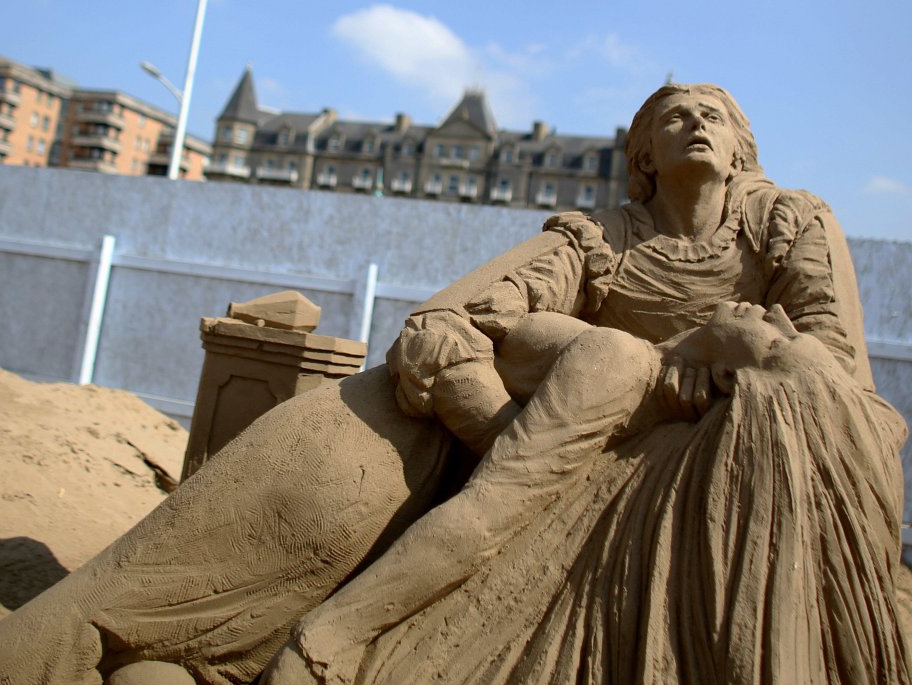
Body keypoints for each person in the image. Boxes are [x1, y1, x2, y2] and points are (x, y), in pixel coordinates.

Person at [264, 84, 909, 683]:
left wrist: (718, 365)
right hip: (592, 416)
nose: (696, 125)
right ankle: (328, 638)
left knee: (790, 430)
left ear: (741, 146)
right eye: (674, 117)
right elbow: (454, 324)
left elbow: (826, 358)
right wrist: (498, 429)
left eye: (713, 116)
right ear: (645, 155)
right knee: (505, 497)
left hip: (724, 429)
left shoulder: (789, 223)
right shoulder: (601, 240)